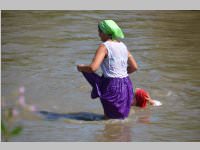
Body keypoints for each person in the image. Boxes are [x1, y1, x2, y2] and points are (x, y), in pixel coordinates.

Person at [77, 20, 138, 119]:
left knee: (109, 119)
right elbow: (134, 67)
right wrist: (120, 75)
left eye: (99, 32)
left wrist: (81, 67)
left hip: (112, 86)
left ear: (104, 32)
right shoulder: (123, 46)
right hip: (126, 85)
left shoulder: (104, 47)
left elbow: (93, 68)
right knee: (121, 121)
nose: (99, 35)